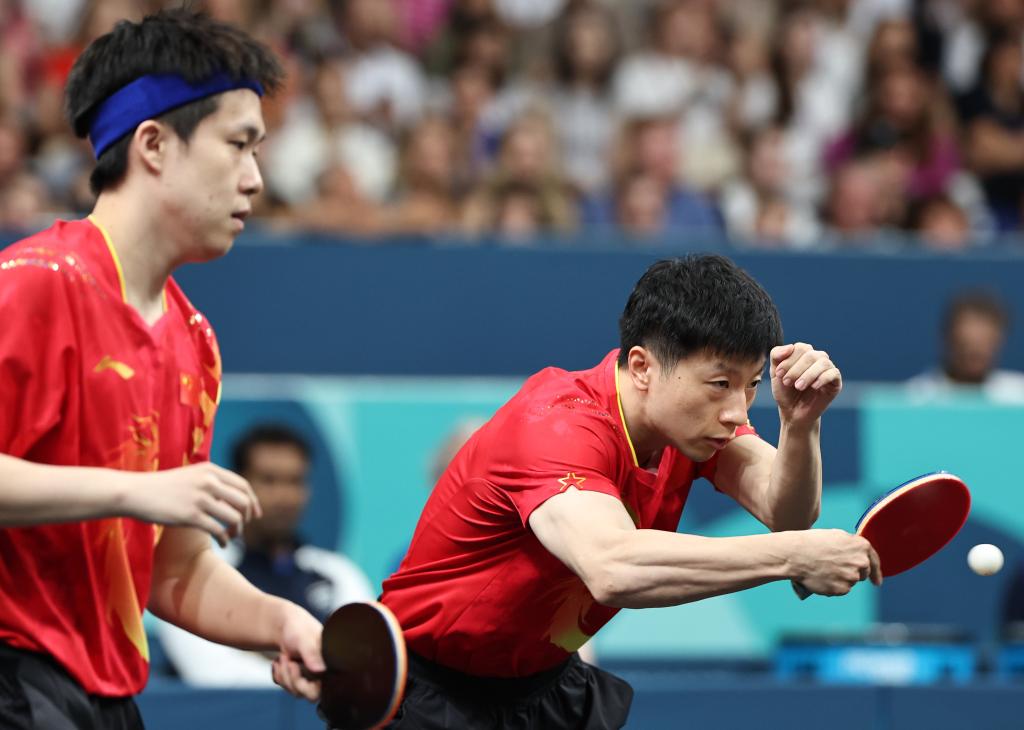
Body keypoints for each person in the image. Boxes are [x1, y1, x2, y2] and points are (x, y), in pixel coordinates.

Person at [380, 254, 881, 729]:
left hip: (540, 684)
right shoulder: (555, 425)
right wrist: (792, 557)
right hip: (429, 689)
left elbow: (786, 513)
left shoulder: (690, 424)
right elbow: (613, 568)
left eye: (751, 385)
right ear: (642, 367)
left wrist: (800, 425)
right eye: (720, 384)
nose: (738, 412)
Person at [0, 10, 325, 729]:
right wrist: (138, 491)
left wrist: (281, 622)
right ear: (153, 144)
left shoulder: (194, 343)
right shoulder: (33, 285)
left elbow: (174, 570)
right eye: (237, 145)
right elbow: (148, 500)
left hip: (105, 698)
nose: (256, 179)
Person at [159, 424, 375, 686]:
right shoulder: (196, 571)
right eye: (269, 480)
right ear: (237, 484)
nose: (284, 497)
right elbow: (212, 674)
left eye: (295, 481)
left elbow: (365, 661)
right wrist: (312, 675)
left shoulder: (338, 574)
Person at [906, 290, 1024, 402]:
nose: (974, 355)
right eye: (965, 345)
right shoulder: (915, 397)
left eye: (984, 345)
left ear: (999, 341)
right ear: (947, 338)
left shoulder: (1018, 394)